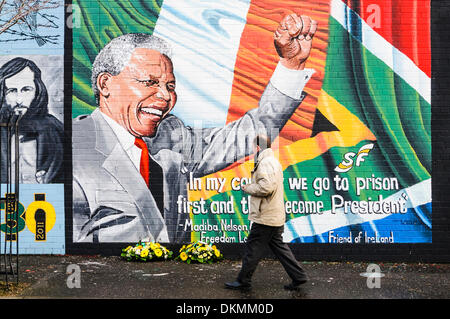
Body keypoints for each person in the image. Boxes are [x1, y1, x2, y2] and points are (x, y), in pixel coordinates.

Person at [72, 13, 318, 243]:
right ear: (105, 84)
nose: (165, 96)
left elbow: (251, 133)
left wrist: (291, 64)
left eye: (170, 86)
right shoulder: (67, 149)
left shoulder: (170, 135)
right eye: (150, 82)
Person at [225, 135, 308, 291]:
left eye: (253, 148)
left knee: (252, 249)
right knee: (279, 248)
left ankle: (243, 281)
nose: (251, 151)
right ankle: (299, 276)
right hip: (273, 215)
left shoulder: (265, 163)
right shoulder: (273, 161)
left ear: (258, 148)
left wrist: (248, 187)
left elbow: (266, 188)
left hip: (265, 217)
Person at [0, 57, 64, 184]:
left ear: (37, 91)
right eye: (12, 91)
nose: (19, 99)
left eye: (26, 90)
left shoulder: (54, 129)